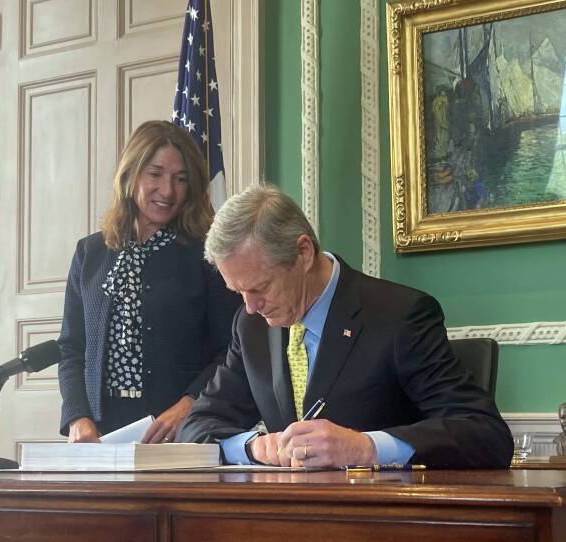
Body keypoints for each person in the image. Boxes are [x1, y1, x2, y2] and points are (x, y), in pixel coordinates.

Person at [177, 185, 513, 469]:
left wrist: (365, 447)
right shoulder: (250, 326)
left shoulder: (400, 316)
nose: (249, 306)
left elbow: (485, 433)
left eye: (260, 288)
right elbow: (195, 427)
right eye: (238, 292)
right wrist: (253, 447)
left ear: (304, 253)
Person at [58, 120, 241, 444]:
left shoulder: (208, 254)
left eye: (180, 179)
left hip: (179, 430)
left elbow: (232, 348)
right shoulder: (90, 253)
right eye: (155, 174)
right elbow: (72, 348)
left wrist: (190, 403)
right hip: (100, 434)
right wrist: (77, 415)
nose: (168, 191)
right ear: (130, 174)